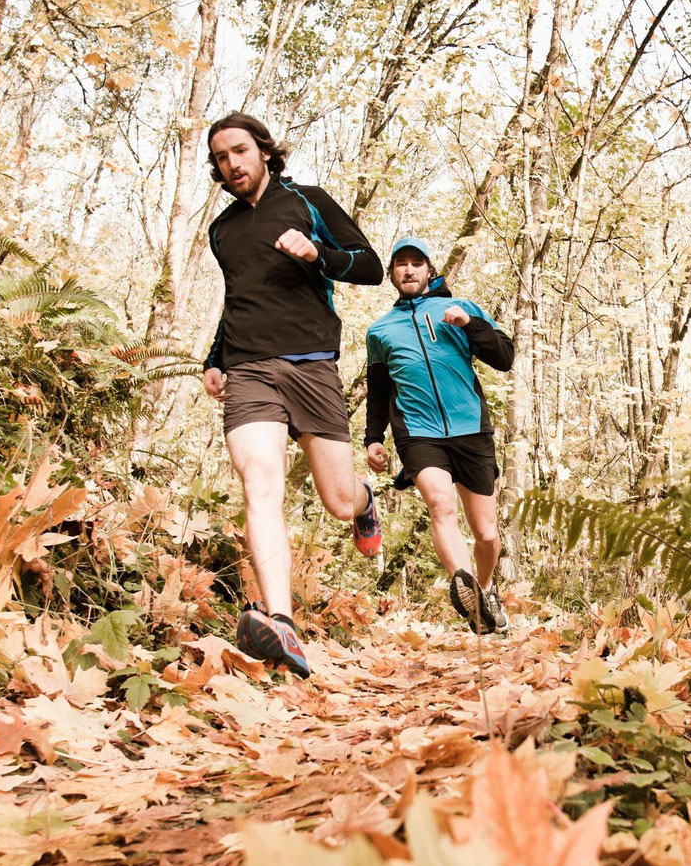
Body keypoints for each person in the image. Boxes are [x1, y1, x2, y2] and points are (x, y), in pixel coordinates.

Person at [200, 113, 384, 676]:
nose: (232, 164)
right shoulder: (223, 230)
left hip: (312, 366)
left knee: (336, 499)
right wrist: (215, 358)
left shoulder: (309, 201)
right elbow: (240, 298)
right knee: (260, 484)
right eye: (222, 158)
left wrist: (317, 256)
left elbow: (371, 267)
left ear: (263, 150)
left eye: (240, 151)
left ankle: (364, 501)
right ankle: (282, 622)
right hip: (249, 369)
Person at [364, 237, 515, 634]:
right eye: (400, 264)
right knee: (441, 507)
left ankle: (483, 590)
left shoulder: (460, 309)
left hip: (471, 429)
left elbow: (504, 358)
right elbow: (379, 389)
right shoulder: (381, 331)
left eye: (417, 263)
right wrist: (372, 437)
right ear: (392, 274)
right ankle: (467, 594)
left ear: (431, 270)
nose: (408, 270)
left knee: (486, 534)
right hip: (418, 433)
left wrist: (472, 325)